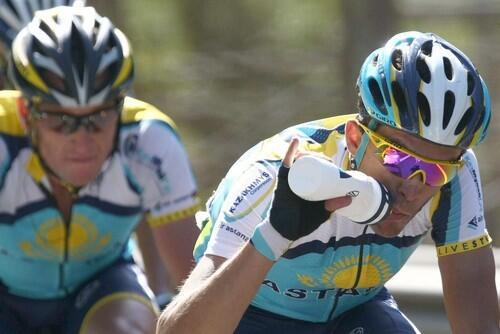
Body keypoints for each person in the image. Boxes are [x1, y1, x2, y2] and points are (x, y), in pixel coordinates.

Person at [158, 31, 499, 334]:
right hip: (251, 316)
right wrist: (273, 236)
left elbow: (479, 321)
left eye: (436, 170)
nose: (414, 187)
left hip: (354, 315)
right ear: (355, 138)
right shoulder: (271, 174)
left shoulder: (458, 174)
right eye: (398, 159)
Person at [0, 5, 200, 334]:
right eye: (59, 119)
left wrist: (164, 303)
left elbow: (195, 289)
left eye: (100, 117)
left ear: (121, 106)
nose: (81, 138)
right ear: (25, 112)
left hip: (102, 287)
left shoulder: (149, 141)